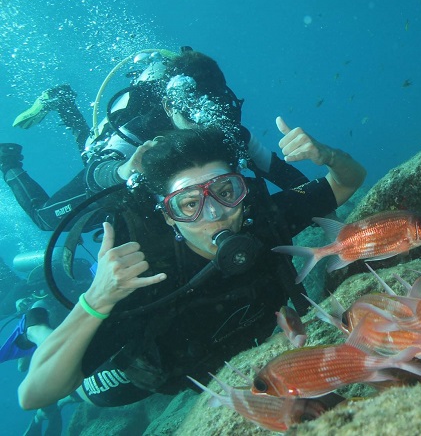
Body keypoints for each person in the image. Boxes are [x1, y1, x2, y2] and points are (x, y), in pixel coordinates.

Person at [18, 125, 366, 410]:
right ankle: (33, 325)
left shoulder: (262, 223)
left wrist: (328, 155)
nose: (214, 214)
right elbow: (34, 394)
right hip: (156, 370)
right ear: (170, 217)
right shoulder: (146, 280)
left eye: (225, 190)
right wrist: (99, 298)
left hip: (235, 353)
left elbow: (348, 180)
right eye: (189, 203)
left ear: (242, 191)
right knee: (83, 394)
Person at [0, 48, 310, 232]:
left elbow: (284, 175)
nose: (202, 128)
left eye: (211, 112)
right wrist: (122, 172)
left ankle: (66, 106)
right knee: (47, 220)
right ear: (169, 106)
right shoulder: (141, 129)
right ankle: (9, 162)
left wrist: (319, 204)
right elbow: (98, 169)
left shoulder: (228, 129)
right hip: (117, 173)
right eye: (191, 115)